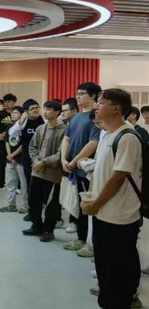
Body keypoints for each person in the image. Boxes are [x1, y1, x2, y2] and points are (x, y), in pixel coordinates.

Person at [82, 89, 142, 309]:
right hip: (103, 213)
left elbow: (118, 177)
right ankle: (107, 308)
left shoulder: (128, 137)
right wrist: (92, 200)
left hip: (120, 215)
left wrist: (96, 204)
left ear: (116, 108)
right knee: (104, 265)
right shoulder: (107, 134)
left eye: (102, 102)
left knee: (118, 269)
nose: (97, 106)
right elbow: (101, 170)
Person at [61, 82, 102, 256]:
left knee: (88, 206)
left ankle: (89, 242)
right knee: (78, 205)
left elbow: (93, 143)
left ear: (93, 96)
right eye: (77, 93)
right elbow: (67, 138)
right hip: (73, 168)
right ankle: (81, 237)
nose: (77, 96)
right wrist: (64, 159)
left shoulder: (96, 117)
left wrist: (74, 161)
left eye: (81, 93)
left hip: (87, 170)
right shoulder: (77, 117)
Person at [22, 100, 66, 242]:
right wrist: (36, 160)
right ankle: (36, 226)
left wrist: (44, 162)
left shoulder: (64, 130)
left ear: (57, 112)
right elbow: (32, 147)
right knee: (33, 200)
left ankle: (48, 230)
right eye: (44, 109)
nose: (45, 112)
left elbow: (61, 154)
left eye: (48, 109)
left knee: (50, 204)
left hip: (52, 174)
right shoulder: (41, 128)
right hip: (37, 171)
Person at [11, 99, 45, 220]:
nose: (35, 110)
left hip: (42, 157)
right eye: (32, 109)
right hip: (27, 157)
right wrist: (20, 122)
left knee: (42, 185)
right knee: (30, 185)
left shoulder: (44, 121)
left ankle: (42, 210)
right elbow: (12, 134)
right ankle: (32, 211)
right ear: (26, 111)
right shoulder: (23, 122)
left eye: (37, 108)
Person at [0, 106, 28, 213]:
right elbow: (7, 141)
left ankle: (25, 206)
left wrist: (13, 155)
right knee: (10, 183)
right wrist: (9, 155)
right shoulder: (9, 127)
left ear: (22, 115)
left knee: (24, 184)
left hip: (21, 159)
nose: (13, 114)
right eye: (12, 113)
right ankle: (11, 204)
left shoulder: (24, 127)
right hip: (10, 159)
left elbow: (24, 145)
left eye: (16, 113)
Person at [61, 97, 79, 232]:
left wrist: (72, 162)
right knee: (68, 193)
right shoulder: (66, 125)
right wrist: (63, 159)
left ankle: (74, 222)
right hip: (67, 162)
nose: (63, 113)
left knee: (77, 194)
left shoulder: (82, 122)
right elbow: (65, 142)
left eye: (65, 111)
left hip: (77, 164)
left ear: (74, 111)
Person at [0, 93, 17, 192]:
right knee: (1, 163)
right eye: (5, 102)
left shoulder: (16, 113)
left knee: (15, 164)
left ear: (14, 103)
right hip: (1, 141)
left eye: (9, 102)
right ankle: (0, 184)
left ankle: (17, 186)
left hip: (13, 142)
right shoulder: (0, 113)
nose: (6, 104)